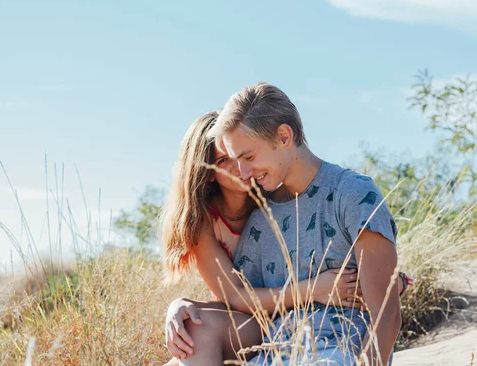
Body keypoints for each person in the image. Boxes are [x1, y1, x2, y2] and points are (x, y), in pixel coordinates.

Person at [204, 82, 402, 365]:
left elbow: (387, 314)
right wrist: (185, 307)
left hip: (337, 354)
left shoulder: (354, 195)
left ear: (284, 136)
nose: (243, 173)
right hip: (272, 355)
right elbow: (241, 305)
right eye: (236, 160)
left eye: (249, 157)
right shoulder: (261, 218)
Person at [161, 111, 372, 365]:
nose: (240, 167)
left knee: (193, 340)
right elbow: (236, 299)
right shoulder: (202, 223)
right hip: (251, 320)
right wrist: (180, 304)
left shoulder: (276, 193)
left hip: (299, 317)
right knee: (191, 335)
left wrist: (383, 275)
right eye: (224, 159)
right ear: (206, 172)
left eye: (243, 154)